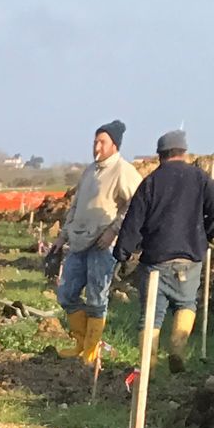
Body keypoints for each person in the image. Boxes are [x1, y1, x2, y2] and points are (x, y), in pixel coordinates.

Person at [114, 128, 214, 372]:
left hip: (156, 260)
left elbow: (134, 220)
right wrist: (211, 234)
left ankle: (149, 366)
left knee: (151, 316)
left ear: (160, 155)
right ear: (183, 152)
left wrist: (123, 253)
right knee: (186, 304)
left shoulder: (151, 182)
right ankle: (177, 348)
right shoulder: (200, 178)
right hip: (189, 257)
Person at [55, 120, 143, 369]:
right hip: (78, 241)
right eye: (95, 141)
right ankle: (80, 343)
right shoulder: (89, 171)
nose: (96, 146)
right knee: (67, 294)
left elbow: (135, 205)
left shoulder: (123, 171)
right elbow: (75, 206)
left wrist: (113, 231)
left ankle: (91, 351)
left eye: (102, 141)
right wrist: (63, 235)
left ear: (114, 145)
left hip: (102, 245)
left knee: (96, 298)